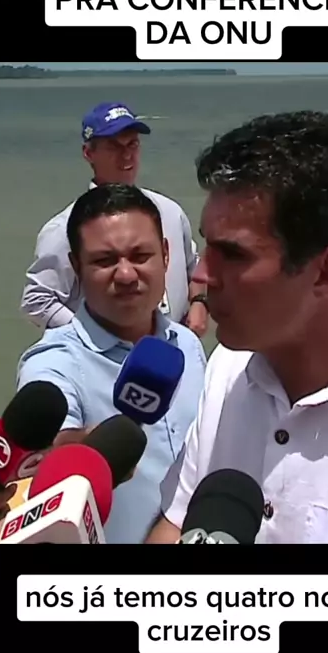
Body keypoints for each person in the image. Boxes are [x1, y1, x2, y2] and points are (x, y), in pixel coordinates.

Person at [146, 110, 328, 544]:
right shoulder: (228, 370)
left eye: (233, 254)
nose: (201, 275)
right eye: (206, 246)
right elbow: (176, 523)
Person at [16, 183, 206, 543]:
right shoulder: (54, 362)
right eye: (105, 261)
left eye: (140, 256)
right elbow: (51, 450)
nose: (126, 274)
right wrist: (90, 449)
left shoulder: (188, 345)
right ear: (76, 266)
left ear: (166, 255)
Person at [20, 101, 208, 337]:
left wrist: (200, 304)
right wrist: (96, 339)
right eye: (113, 146)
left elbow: (194, 267)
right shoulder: (65, 228)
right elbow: (37, 300)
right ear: (89, 153)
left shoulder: (170, 212)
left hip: (173, 348)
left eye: (132, 144)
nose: (126, 155)